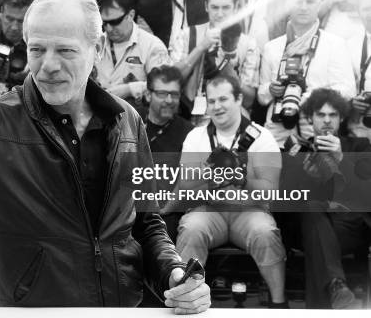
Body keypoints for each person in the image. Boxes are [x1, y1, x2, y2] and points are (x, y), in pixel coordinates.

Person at [0, 0, 211, 310]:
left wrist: (175, 274)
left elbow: (145, 221)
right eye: (37, 49)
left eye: (65, 50)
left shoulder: (127, 121)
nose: (47, 65)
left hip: (118, 308)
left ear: (96, 49)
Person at [169, 75, 288, 308]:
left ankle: (279, 303)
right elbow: (185, 186)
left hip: (249, 210)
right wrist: (212, 175)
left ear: (239, 99)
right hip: (209, 209)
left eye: (223, 99)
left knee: (265, 231)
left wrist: (242, 178)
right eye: (211, 101)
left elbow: (270, 191)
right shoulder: (196, 137)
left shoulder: (262, 137)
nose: (217, 106)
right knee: (191, 228)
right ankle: (186, 302)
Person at [292, 88, 371, 309]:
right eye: (321, 114)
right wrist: (308, 181)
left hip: (350, 227)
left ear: (342, 118)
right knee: (312, 209)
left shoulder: (359, 147)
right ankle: (337, 288)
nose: (327, 120)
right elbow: (288, 201)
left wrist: (342, 159)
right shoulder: (297, 150)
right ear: (310, 118)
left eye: (333, 115)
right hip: (310, 225)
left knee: (318, 240)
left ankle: (334, 292)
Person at [258, 0, 356, 148]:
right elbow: (261, 97)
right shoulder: (272, 47)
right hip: (277, 136)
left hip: (317, 136)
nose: (303, 7)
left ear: (319, 5)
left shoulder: (335, 44)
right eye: (298, 1)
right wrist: (271, 89)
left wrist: (308, 97)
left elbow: (348, 90)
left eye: (309, 1)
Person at [170, 0, 260, 113]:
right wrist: (201, 47)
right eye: (214, 7)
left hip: (229, 111)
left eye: (226, 8)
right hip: (189, 108)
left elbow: (248, 99)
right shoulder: (188, 34)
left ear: (235, 8)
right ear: (206, 7)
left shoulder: (247, 43)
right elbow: (172, 80)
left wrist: (226, 65)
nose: (220, 13)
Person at [95, 0, 170, 112]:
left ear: (131, 15)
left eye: (115, 22)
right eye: (105, 23)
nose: (108, 28)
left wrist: (128, 89)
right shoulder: (95, 43)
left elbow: (163, 86)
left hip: (136, 117)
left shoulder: (152, 46)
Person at [144, 65, 193, 154]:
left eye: (174, 94)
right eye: (162, 93)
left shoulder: (189, 134)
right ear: (148, 95)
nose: (169, 100)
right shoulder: (130, 124)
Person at [346, 0, 371, 142]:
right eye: (366, 8)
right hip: (358, 131)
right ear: (358, 12)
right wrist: (352, 101)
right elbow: (344, 86)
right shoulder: (349, 45)